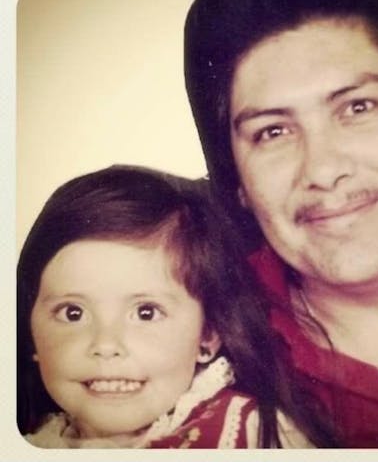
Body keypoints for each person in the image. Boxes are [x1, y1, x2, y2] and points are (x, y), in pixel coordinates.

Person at [184, 0, 378, 448]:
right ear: (238, 180)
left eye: (357, 107)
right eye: (273, 132)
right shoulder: (181, 351)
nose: (322, 171)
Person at [17, 164, 335, 448]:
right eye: (73, 313)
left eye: (146, 312)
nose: (106, 346)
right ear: (31, 333)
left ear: (207, 335)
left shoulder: (255, 435)